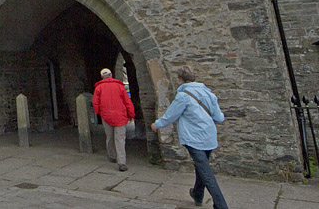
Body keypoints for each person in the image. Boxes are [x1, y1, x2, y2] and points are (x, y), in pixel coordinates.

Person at [152, 66, 227, 209]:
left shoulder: (183, 96)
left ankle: (221, 205)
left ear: (180, 79)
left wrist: (157, 125)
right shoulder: (209, 94)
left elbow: (171, 115)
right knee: (202, 167)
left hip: (193, 138)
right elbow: (219, 118)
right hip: (209, 136)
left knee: (206, 172)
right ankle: (197, 195)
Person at [92, 68, 135, 171]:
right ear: (111, 75)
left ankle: (112, 155)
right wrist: (131, 114)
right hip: (120, 115)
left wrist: (98, 112)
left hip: (106, 115)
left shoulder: (99, 88)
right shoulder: (120, 86)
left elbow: (95, 102)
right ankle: (122, 162)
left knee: (110, 136)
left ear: (102, 77)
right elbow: (127, 101)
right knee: (120, 139)